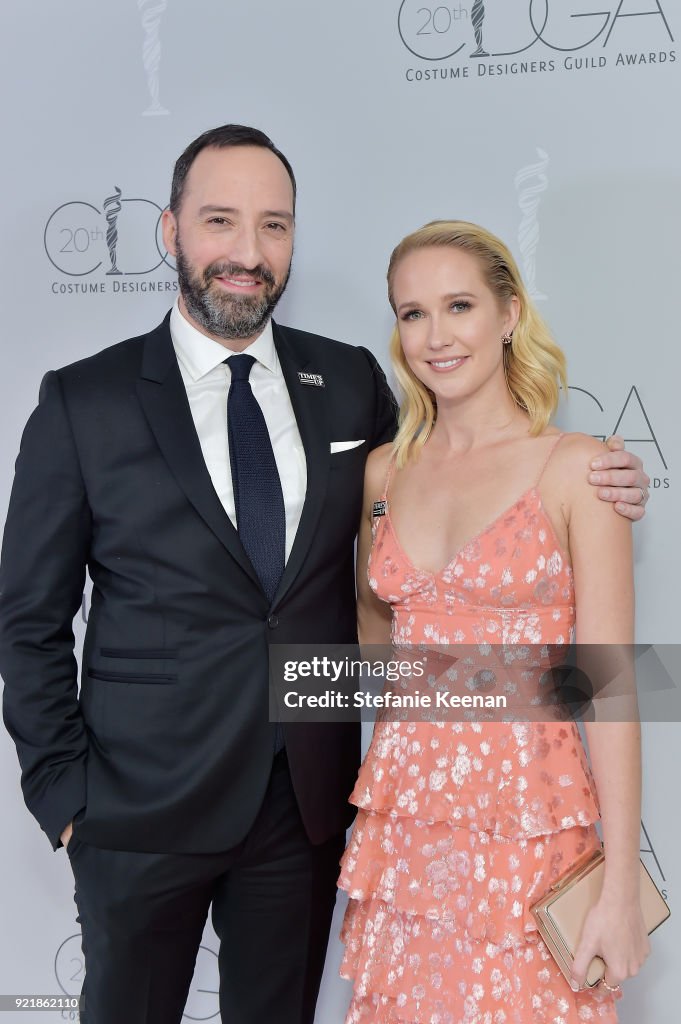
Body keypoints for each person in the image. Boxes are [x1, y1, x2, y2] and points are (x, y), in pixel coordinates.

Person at [0, 125, 646, 1024]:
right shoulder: (84, 401)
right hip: (137, 816)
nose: (246, 251)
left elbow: (442, 567)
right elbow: (27, 621)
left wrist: (608, 475)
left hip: (303, 817)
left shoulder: (344, 386)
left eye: (274, 225)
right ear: (168, 230)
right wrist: (65, 800)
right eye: (219, 220)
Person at [338, 221, 649, 1023]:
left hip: (527, 832)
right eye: (411, 313)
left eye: (458, 305)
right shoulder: (382, 471)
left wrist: (618, 886)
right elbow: (382, 661)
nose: (434, 336)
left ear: (509, 312)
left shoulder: (577, 468)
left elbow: (610, 688)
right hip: (406, 835)